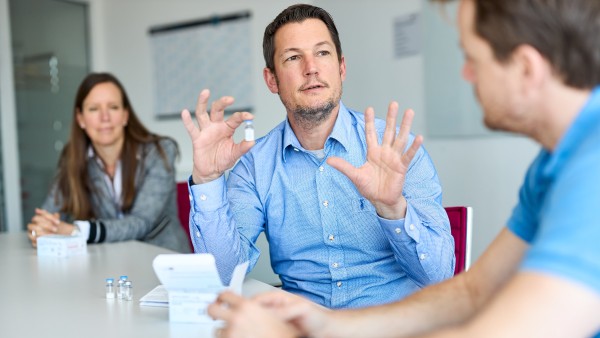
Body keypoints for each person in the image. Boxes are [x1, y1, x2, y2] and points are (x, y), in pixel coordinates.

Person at [207, 0, 600, 336]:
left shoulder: (592, 168)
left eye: (471, 58)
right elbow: (472, 292)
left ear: (527, 68)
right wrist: (326, 326)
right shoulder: (554, 162)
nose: (465, 75)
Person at [181, 4, 455, 309]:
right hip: (303, 326)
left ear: (341, 68)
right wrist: (207, 179)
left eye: (322, 53)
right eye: (293, 57)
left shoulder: (395, 149)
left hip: (392, 324)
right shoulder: (254, 164)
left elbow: (440, 277)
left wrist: (393, 208)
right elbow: (223, 276)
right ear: (271, 80)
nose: (311, 67)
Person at [27, 72, 190, 253]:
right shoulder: (72, 156)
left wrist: (77, 231)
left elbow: (141, 222)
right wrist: (41, 228)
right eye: (94, 109)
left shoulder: (160, 151)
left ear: (125, 115)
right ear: (80, 118)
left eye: (113, 107)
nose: (105, 117)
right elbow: (51, 213)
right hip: (108, 261)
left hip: (163, 259)